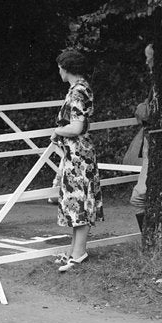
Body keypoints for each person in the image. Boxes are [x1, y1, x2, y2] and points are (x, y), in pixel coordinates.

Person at [51, 48, 103, 272]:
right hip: (77, 154)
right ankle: (75, 251)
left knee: (79, 201)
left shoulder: (77, 91)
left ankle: (79, 253)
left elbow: (76, 127)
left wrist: (57, 131)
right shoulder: (80, 88)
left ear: (65, 68)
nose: (59, 72)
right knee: (76, 202)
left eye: (60, 68)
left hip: (78, 155)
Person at [127, 43, 154, 231]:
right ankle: (150, 241)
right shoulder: (156, 86)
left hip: (154, 145)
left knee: (138, 197)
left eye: (149, 57)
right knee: (139, 197)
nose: (146, 61)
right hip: (149, 145)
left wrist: (144, 109)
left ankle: (149, 240)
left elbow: (146, 114)